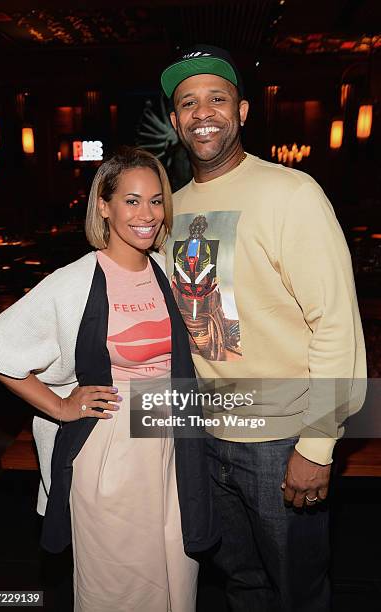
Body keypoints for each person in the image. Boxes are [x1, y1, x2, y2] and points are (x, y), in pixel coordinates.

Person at [161, 45, 366, 611]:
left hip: (282, 442)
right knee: (242, 586)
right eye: (188, 103)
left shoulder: (292, 194)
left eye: (217, 99)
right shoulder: (169, 211)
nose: (203, 112)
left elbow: (336, 328)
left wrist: (318, 444)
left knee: (297, 592)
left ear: (243, 112)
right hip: (205, 437)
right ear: (175, 121)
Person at [0, 147, 220, 612]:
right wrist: (60, 405)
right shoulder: (74, 281)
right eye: (131, 200)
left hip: (174, 452)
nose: (146, 214)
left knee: (177, 575)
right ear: (103, 206)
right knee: (120, 585)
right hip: (110, 450)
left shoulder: (172, 269)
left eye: (155, 200)